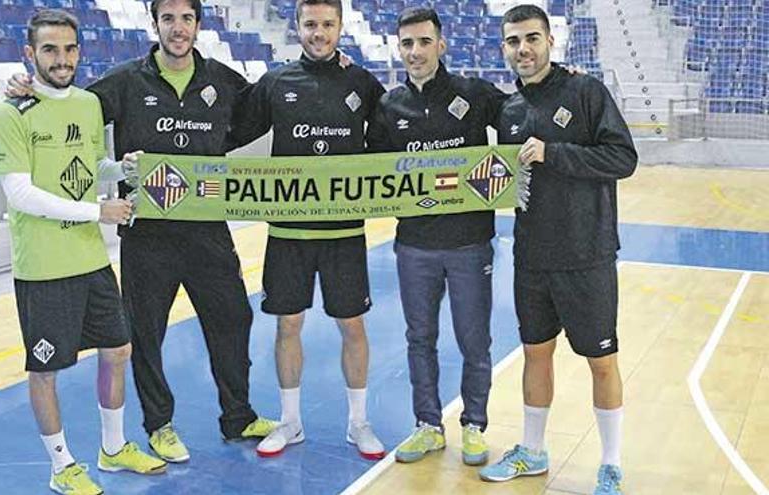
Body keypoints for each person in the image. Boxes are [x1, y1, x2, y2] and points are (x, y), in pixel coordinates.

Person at [7, 0, 277, 464]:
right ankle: (160, 425)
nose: (178, 28)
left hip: (207, 228)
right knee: (146, 334)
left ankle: (239, 415)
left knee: (234, 318)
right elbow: (68, 106)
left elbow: (259, 113)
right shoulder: (125, 81)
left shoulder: (223, 80)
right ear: (155, 25)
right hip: (147, 234)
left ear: (198, 24)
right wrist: (24, 88)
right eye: (168, 18)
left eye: (187, 18)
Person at [0, 9, 167, 495]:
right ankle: (61, 465)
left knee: (118, 349)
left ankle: (112, 449)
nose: (61, 58)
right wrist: (99, 213)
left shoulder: (89, 104)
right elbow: (20, 194)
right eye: (49, 49)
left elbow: (88, 167)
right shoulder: (11, 112)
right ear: (30, 54)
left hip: (91, 259)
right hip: (44, 267)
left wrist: (118, 168)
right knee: (45, 368)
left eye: (69, 49)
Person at [478, 6, 637, 495]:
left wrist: (554, 152)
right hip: (533, 258)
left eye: (531, 38)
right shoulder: (507, 109)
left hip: (587, 256)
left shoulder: (586, 92)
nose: (522, 49)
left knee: (601, 362)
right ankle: (533, 450)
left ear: (550, 40)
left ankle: (610, 463)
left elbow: (623, 158)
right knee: (535, 354)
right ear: (503, 48)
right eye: (512, 42)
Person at [226, 0, 386, 459]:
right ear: (297, 27)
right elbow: (229, 131)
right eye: (311, 24)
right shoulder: (276, 83)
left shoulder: (362, 83)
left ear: (340, 27)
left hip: (344, 234)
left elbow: (393, 135)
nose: (319, 33)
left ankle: (359, 423)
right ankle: (290, 422)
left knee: (352, 326)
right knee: (287, 325)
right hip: (288, 233)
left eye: (328, 24)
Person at [366, 6, 508, 467]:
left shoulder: (475, 93)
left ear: (441, 45)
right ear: (399, 49)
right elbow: (371, 171)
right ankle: (427, 425)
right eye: (407, 44)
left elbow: (521, 118)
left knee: (474, 340)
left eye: (424, 42)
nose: (415, 52)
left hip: (470, 243)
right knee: (419, 338)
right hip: (414, 245)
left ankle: (474, 426)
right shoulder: (389, 106)